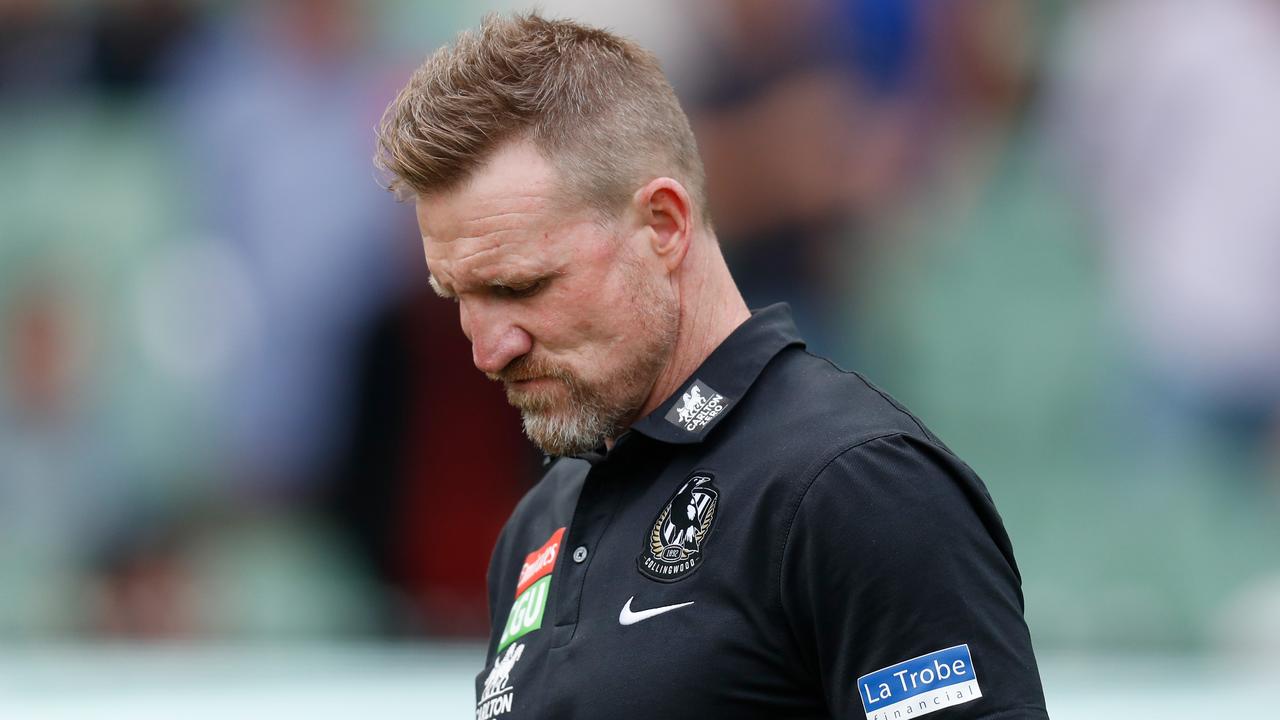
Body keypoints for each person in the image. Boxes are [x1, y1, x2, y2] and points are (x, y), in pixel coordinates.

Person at [375, 13, 1047, 719]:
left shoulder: (858, 488)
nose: (487, 350)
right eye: (458, 296)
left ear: (664, 224)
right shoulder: (542, 520)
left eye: (522, 287)